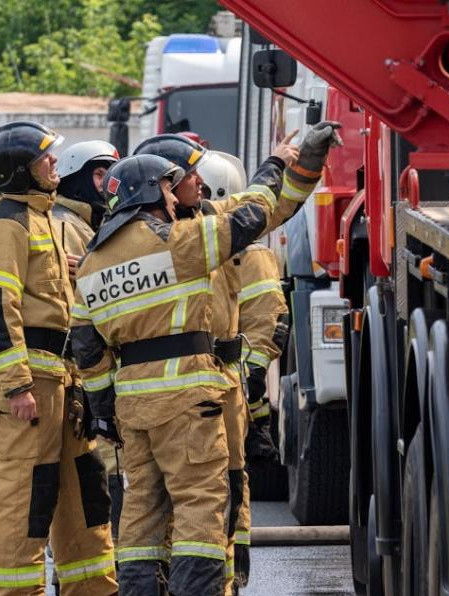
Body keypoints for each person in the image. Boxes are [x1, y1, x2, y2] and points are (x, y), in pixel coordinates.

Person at [71, 122, 339, 596]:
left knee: (141, 514)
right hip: (188, 398)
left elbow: (87, 347)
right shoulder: (179, 243)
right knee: (202, 506)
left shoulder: (93, 263)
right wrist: (277, 164)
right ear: (151, 193)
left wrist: (102, 409)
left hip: (133, 406)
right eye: (169, 191)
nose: (177, 200)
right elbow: (252, 216)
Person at [0, 121, 116, 595]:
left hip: (64, 384)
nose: (55, 163)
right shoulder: (4, 221)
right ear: (19, 170)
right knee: (23, 499)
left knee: (86, 494)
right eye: (45, 157)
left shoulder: (44, 218)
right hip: (30, 385)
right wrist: (15, 385)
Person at [197, 149, 292, 592]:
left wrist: (253, 400)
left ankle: (230, 578)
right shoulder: (199, 244)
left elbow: (264, 328)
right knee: (217, 485)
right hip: (220, 386)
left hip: (230, 385)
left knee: (229, 483)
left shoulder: (249, 257)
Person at [50, 139, 126, 539]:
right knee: (95, 476)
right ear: (77, 179)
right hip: (80, 369)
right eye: (99, 174)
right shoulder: (66, 225)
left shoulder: (94, 225)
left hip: (97, 366)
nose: (107, 183)